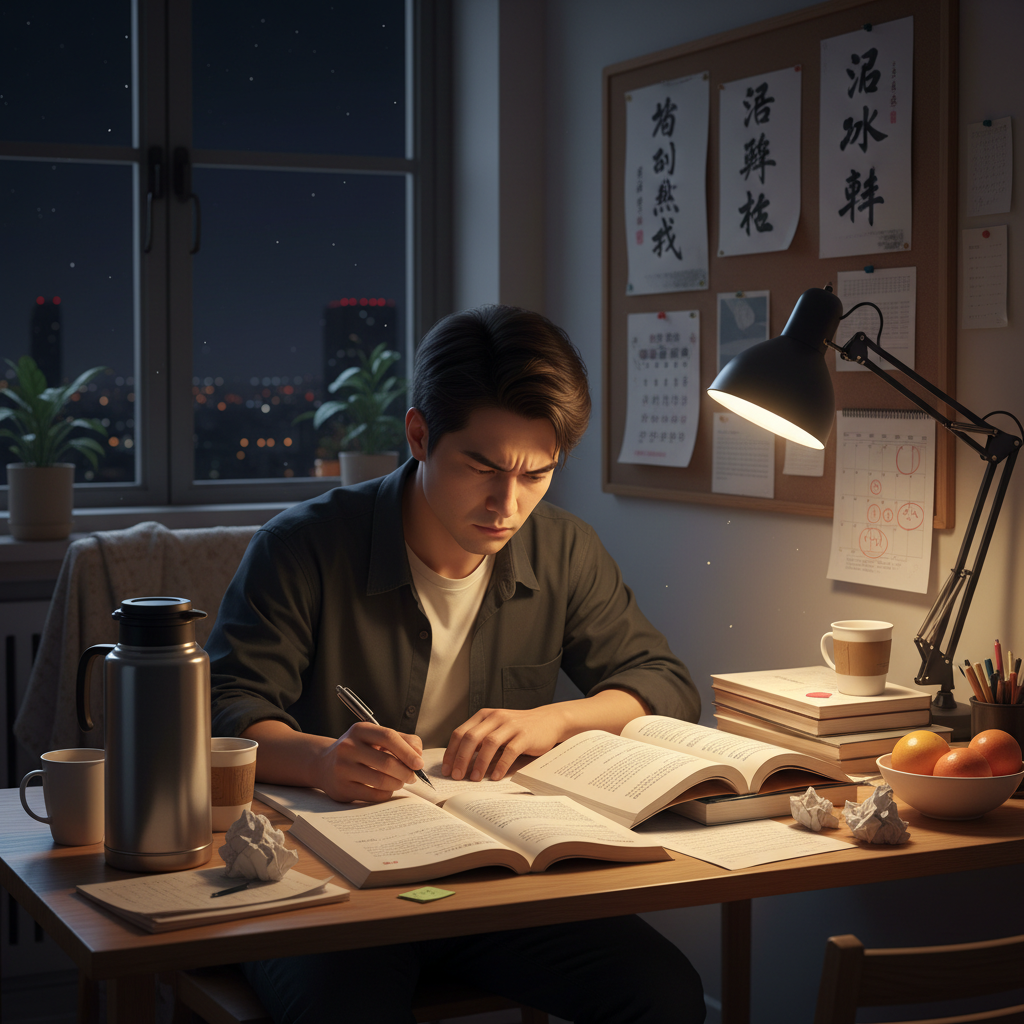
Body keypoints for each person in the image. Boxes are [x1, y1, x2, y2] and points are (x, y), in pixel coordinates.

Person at [207, 305, 706, 1023]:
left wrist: (554, 720)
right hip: (324, 883)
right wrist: (320, 762)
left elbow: (662, 684)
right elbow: (227, 712)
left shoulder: (564, 549)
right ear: (418, 435)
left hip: (492, 883)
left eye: (538, 474)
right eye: (483, 466)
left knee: (663, 994)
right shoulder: (303, 547)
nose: (509, 504)